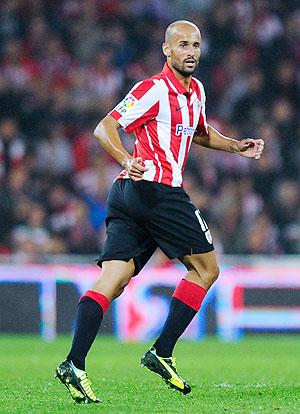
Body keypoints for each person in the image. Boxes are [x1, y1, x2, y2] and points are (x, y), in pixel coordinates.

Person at [56, 20, 264, 403]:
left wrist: (236, 146)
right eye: (182, 44)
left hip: (130, 196)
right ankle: (161, 351)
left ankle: (74, 362)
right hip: (156, 190)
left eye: (196, 45)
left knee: (114, 279)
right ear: (166, 50)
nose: (191, 51)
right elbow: (105, 128)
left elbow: (199, 132)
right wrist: (125, 157)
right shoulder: (152, 89)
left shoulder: (196, 91)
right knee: (207, 269)